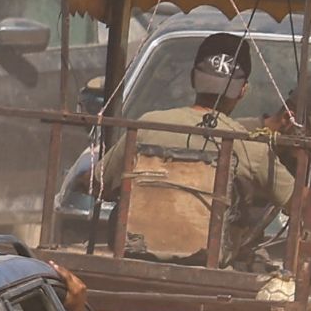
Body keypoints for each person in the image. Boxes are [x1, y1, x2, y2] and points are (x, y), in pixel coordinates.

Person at [126, 32, 296, 260]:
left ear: (192, 79)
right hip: (212, 264)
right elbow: (299, 204)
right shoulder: (250, 147)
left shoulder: (146, 125)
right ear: (243, 90)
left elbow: (98, 181)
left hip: (135, 256)